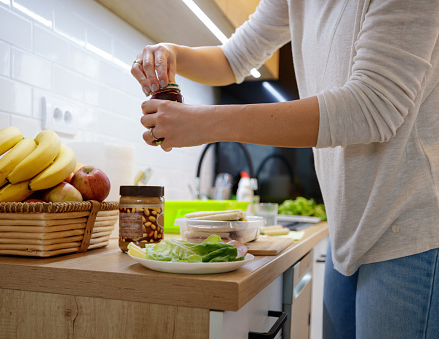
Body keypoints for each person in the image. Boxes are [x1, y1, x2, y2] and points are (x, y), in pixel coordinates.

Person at [131, 0, 439, 338]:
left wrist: (208, 123)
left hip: (409, 230)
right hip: (349, 228)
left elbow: (373, 107)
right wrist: (172, 53)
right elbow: (231, 59)